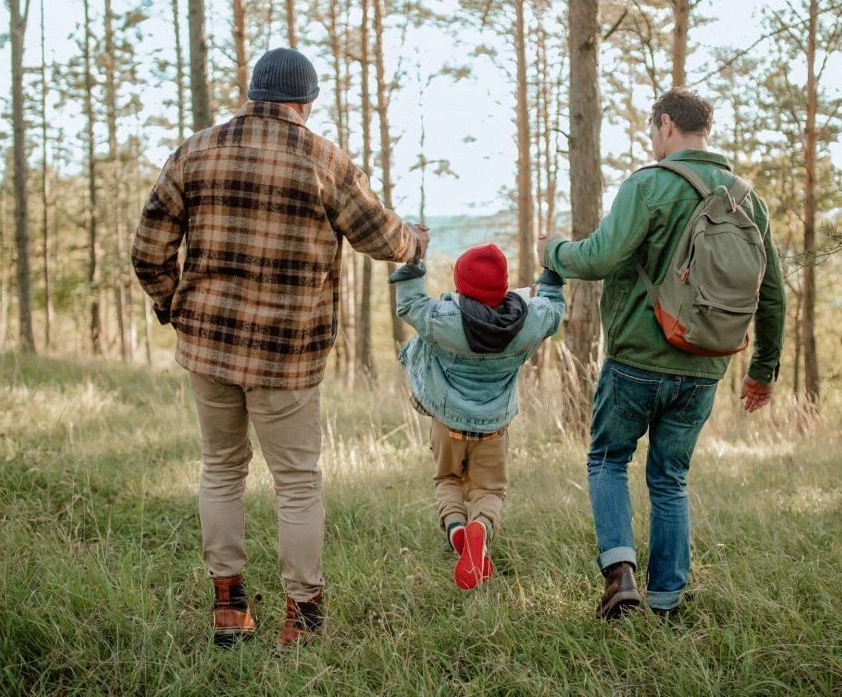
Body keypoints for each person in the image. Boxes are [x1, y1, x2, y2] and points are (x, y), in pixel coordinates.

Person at [132, 48, 429, 647]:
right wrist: (416, 244)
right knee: (296, 481)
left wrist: (176, 308)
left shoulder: (195, 151)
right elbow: (380, 237)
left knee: (221, 469)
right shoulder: (324, 160)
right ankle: (301, 617)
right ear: (306, 101)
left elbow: (148, 252)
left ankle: (228, 607)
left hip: (209, 345)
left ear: (254, 93)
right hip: (286, 354)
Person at [537, 88, 786, 621]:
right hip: (705, 366)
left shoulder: (648, 184)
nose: (652, 141)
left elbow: (597, 258)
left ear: (667, 125)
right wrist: (762, 370)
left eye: (653, 131)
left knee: (608, 459)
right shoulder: (749, 199)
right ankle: (667, 600)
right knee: (670, 478)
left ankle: (620, 573)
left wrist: (553, 250)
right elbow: (774, 293)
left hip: (636, 360)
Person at [389, 244, 566, 588]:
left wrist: (414, 259)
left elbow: (410, 304)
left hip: (446, 425)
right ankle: (480, 527)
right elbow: (554, 309)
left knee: (447, 480)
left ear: (461, 283)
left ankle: (456, 528)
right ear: (503, 285)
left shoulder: (444, 319)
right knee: (489, 490)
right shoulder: (528, 322)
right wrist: (551, 272)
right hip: (494, 429)